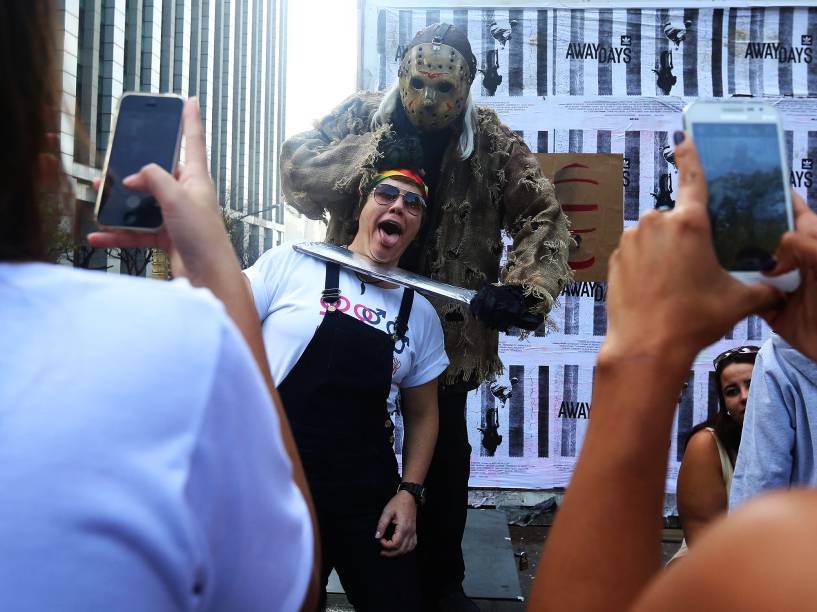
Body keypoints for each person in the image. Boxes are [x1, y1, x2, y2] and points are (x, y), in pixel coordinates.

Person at [0, 3, 317, 610]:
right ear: (42, 138)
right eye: (388, 192)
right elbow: (288, 592)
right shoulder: (182, 341)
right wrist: (213, 269)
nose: (397, 210)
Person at [280, 23, 572, 610]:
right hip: (351, 310)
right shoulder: (363, 116)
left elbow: (545, 216)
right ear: (399, 75)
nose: (431, 102)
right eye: (418, 85)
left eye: (447, 90)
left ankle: (441, 579)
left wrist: (520, 291)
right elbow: (297, 175)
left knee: (443, 458)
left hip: (447, 329)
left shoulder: (492, 143)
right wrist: (366, 153)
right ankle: (309, 568)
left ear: (469, 88)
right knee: (333, 436)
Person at [528, 129, 817, 611]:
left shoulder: (786, 550)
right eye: (731, 391)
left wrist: (643, 352)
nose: (743, 398)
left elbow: (745, 529)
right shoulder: (732, 424)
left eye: (747, 387)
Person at [243, 168, 446, 611]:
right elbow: (221, 323)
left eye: (413, 204)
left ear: (417, 226)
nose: (398, 206)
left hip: (367, 497)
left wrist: (409, 493)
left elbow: (423, 414)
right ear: (363, 207)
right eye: (387, 194)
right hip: (281, 489)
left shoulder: (421, 313)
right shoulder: (293, 264)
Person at [671, 345, 758, 561]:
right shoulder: (707, 445)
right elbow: (704, 547)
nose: (744, 397)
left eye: (753, 384)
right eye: (732, 391)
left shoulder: (800, 435)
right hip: (712, 574)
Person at [729, 336, 817, 510]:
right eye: (731, 391)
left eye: (749, 384)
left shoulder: (775, 359)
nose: (744, 397)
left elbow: (763, 479)